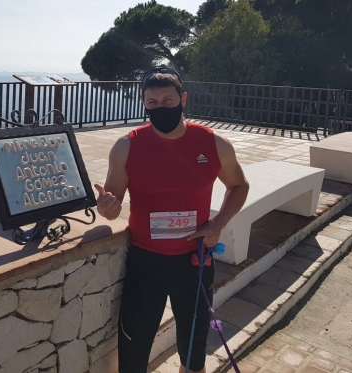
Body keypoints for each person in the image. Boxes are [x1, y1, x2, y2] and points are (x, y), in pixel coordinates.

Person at [94, 67, 249, 373]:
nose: (160, 107)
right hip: (145, 262)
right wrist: (107, 207)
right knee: (133, 350)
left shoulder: (213, 143)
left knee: (193, 354)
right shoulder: (127, 146)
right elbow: (112, 204)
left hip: (194, 262)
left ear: (183, 99)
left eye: (168, 100)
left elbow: (239, 186)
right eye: (152, 102)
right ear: (143, 104)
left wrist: (218, 224)